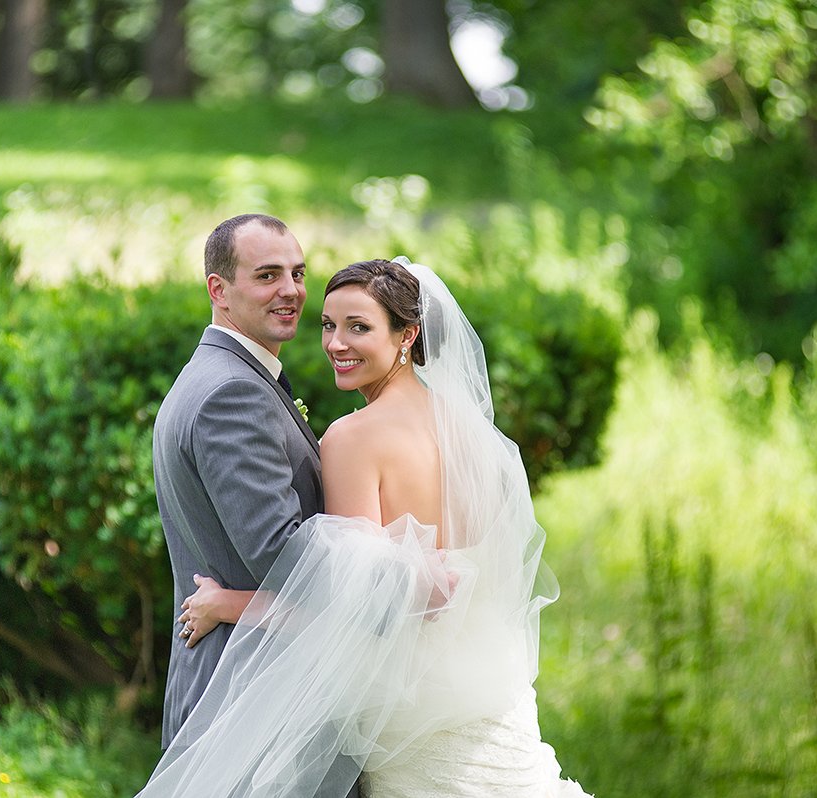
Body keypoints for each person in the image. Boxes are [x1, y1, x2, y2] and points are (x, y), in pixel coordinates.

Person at [138, 258, 590, 797]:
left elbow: (352, 611)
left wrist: (228, 605)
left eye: (359, 327)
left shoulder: (353, 439)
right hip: (491, 697)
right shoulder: (475, 435)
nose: (336, 343)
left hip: (412, 717)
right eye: (329, 325)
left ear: (408, 334)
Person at [149, 214, 360, 798]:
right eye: (267, 275)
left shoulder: (222, 376)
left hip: (245, 694)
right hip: (251, 699)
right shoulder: (231, 393)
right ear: (219, 290)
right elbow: (281, 556)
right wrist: (398, 564)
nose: (291, 291)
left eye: (297, 273)